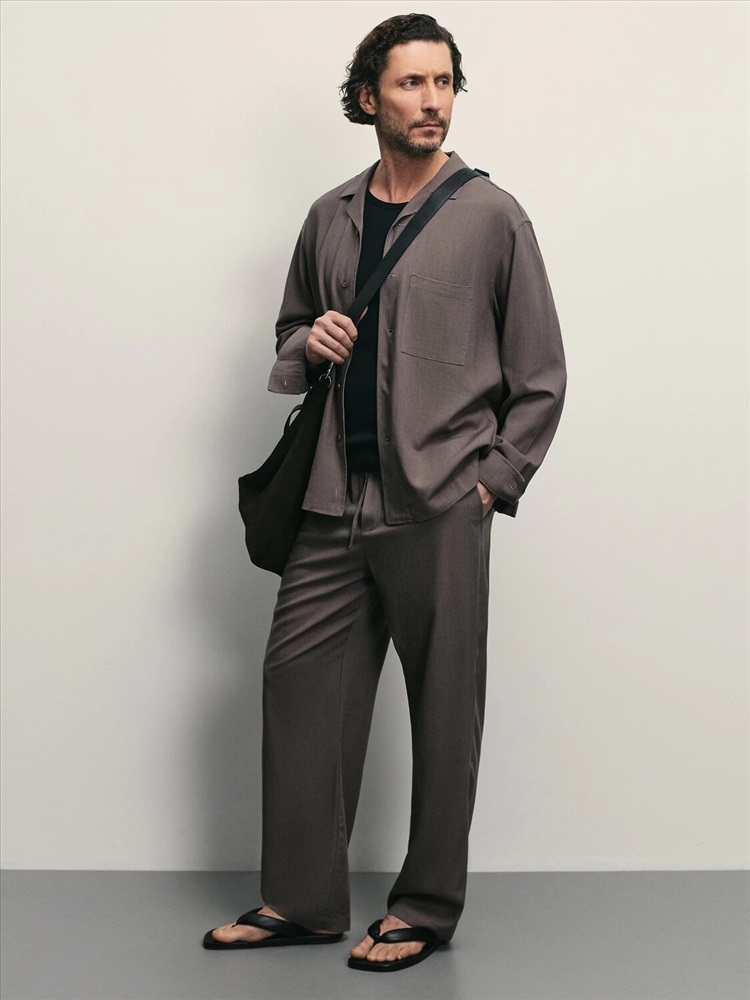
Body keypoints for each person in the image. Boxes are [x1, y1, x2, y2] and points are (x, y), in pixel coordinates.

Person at [204, 12, 566, 973]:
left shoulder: (493, 216)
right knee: (298, 687)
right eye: (411, 83)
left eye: (443, 82)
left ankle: (425, 908)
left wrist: (491, 484)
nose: (432, 101)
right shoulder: (328, 216)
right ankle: (302, 900)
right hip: (332, 499)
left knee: (445, 711)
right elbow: (288, 333)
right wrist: (307, 341)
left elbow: (541, 375)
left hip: (439, 502)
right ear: (368, 98)